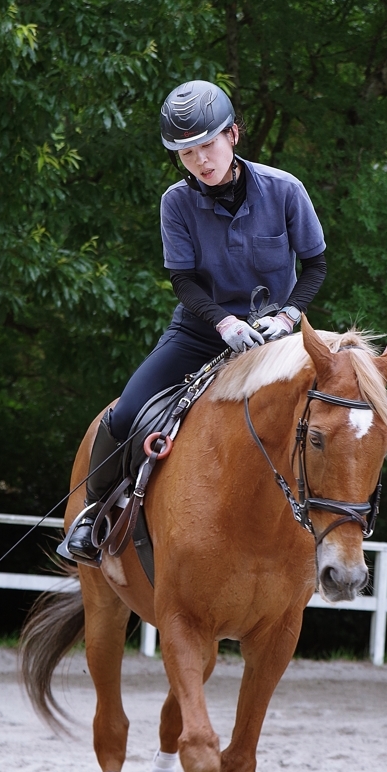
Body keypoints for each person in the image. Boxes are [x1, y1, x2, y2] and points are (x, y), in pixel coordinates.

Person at [68, 79, 327, 562]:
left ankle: (330, 528)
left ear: (232, 134)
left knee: (334, 411)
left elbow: (316, 267)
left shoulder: (285, 189)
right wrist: (223, 324)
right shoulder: (176, 202)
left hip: (273, 337)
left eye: (207, 145)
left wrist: (290, 315)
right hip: (199, 330)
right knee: (125, 412)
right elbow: (182, 279)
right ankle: (92, 514)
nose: (201, 161)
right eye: (187, 154)